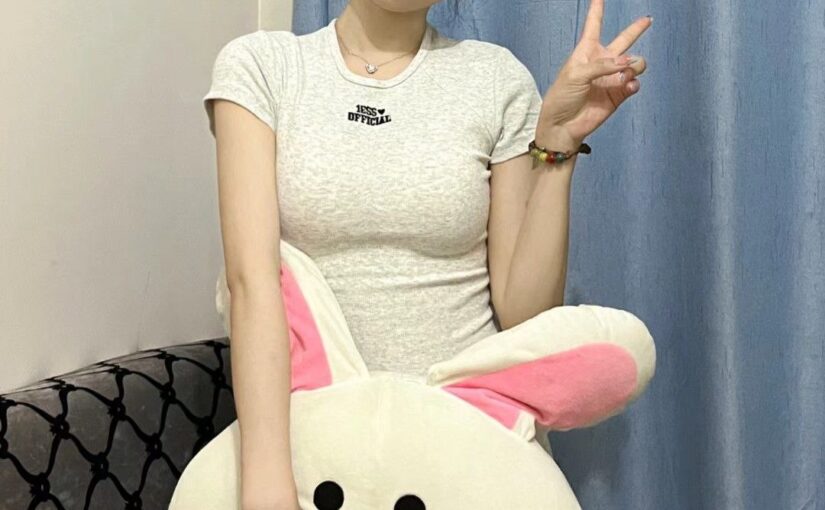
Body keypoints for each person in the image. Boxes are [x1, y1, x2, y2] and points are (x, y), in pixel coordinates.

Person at [179, 0, 650, 508]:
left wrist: (558, 146)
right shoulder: (264, 66)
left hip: (462, 447)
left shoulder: (496, 78)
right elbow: (252, 282)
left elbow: (524, 314)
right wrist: (268, 485)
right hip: (316, 449)